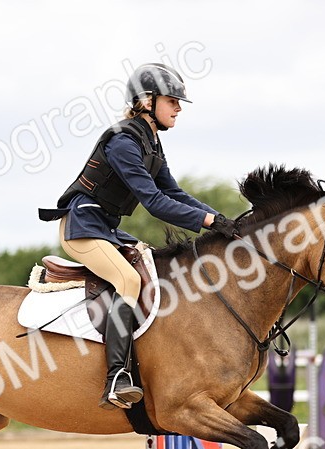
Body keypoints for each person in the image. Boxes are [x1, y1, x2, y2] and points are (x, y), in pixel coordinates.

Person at [40, 62, 238, 410]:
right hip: (82, 227)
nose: (178, 108)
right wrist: (206, 221)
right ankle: (117, 376)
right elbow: (155, 203)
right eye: (172, 100)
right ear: (147, 100)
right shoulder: (123, 142)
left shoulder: (150, 142)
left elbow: (175, 193)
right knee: (129, 281)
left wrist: (220, 218)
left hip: (108, 228)